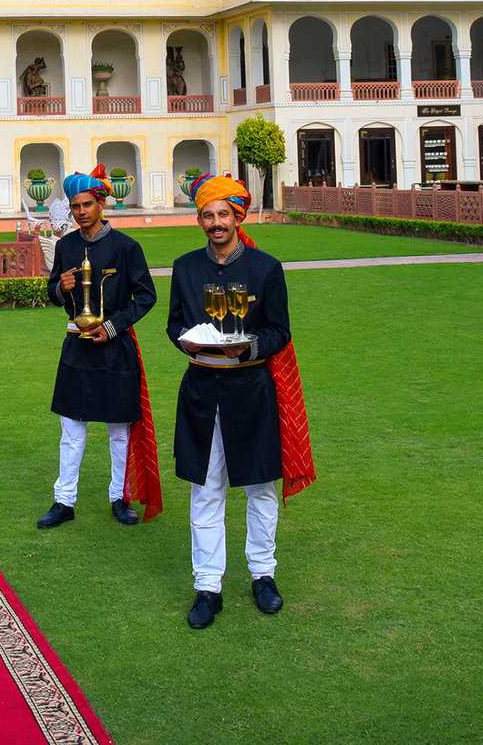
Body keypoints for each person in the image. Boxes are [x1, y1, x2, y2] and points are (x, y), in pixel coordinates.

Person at [166, 174, 316, 630]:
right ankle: (208, 585)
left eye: (223, 215)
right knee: (205, 489)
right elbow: (175, 325)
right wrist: (188, 344)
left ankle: (262, 575)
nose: (215, 223)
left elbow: (279, 331)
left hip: (251, 391)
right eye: (208, 215)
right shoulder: (186, 267)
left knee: (260, 488)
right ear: (199, 220)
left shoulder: (266, 268)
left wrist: (246, 348)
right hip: (202, 391)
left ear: (238, 217)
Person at [38, 164, 160, 529]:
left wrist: (112, 327)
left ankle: (118, 498)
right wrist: (62, 288)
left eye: (87, 205)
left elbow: (146, 296)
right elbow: (51, 293)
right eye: (75, 207)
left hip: (114, 348)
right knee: (71, 430)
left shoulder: (126, 248)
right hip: (76, 347)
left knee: (118, 431)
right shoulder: (65, 246)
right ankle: (65, 500)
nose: (81, 213)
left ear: (101, 204)